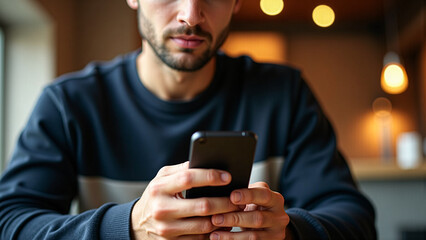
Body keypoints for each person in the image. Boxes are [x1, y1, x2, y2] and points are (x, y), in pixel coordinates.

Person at [0, 0, 376, 239]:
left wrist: (288, 232)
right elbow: (9, 222)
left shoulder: (284, 94)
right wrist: (128, 227)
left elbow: (355, 220)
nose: (190, 16)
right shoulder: (68, 104)